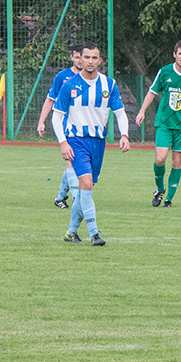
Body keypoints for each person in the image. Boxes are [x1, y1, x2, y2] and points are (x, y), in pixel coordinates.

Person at [51, 42, 130, 246]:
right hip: (76, 141)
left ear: (100, 60)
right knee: (85, 184)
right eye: (86, 57)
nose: (90, 61)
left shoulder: (109, 85)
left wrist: (124, 135)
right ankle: (94, 233)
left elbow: (120, 113)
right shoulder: (70, 85)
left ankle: (71, 232)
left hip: (98, 143)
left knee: (86, 189)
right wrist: (63, 142)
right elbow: (56, 116)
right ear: (80, 58)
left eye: (94, 58)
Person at [135, 40, 181, 207]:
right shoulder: (165, 71)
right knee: (160, 159)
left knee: (176, 162)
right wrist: (142, 111)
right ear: (174, 54)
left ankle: (169, 199)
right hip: (165, 123)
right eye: (180, 53)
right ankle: (160, 189)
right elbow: (152, 92)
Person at [37, 44, 83, 209]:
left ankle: (60, 198)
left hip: (85, 127)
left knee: (78, 164)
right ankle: (78, 200)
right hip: (67, 127)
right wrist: (41, 121)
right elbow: (50, 99)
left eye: (82, 57)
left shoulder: (93, 78)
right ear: (72, 57)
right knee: (72, 161)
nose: (80, 61)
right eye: (76, 57)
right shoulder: (62, 77)